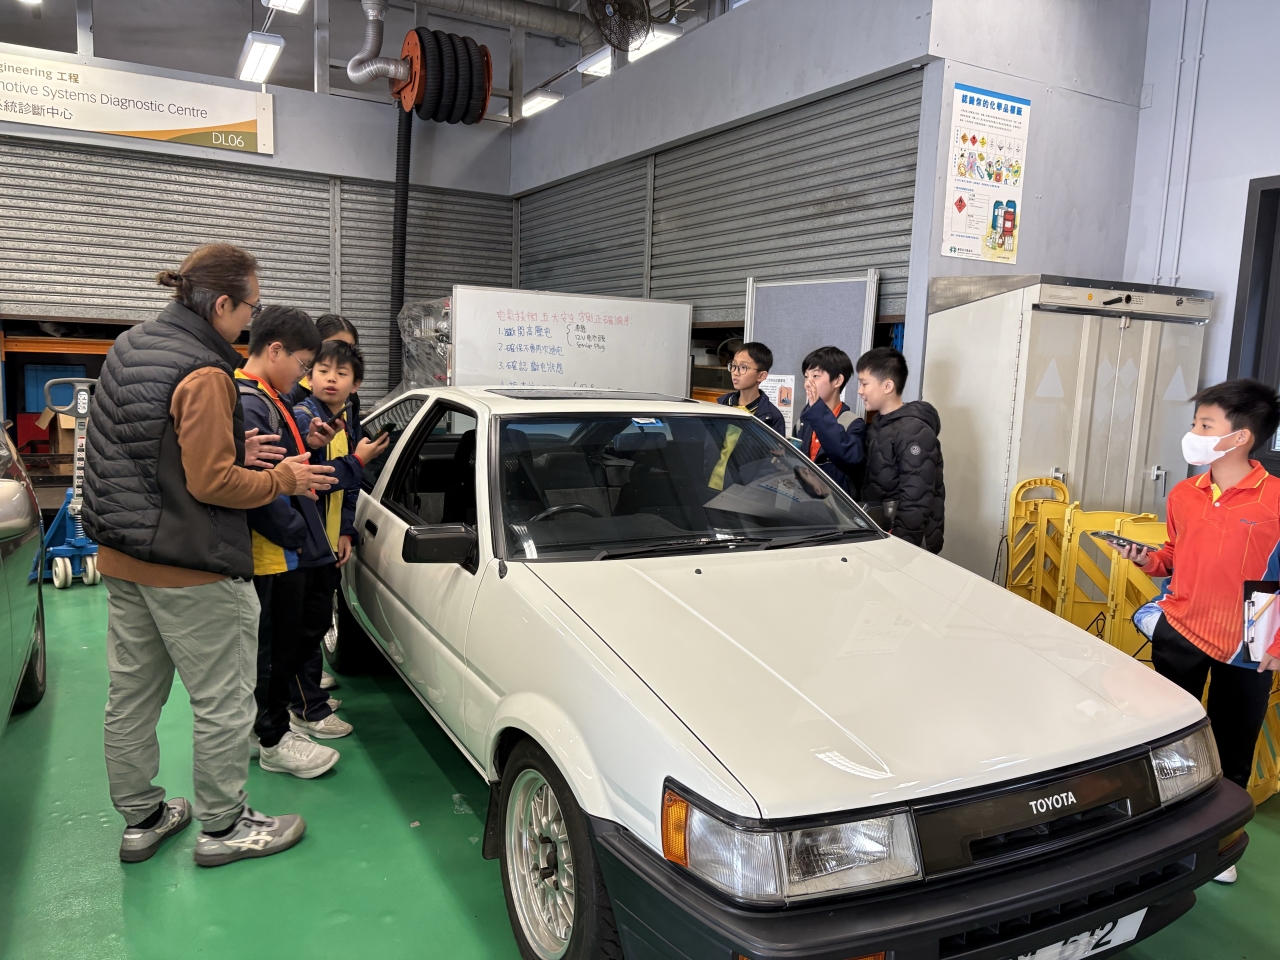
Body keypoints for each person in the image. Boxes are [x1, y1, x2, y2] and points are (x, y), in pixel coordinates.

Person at [83, 244, 336, 867]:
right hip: (189, 566)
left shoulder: (130, 345)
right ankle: (224, 826)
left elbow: (141, 449)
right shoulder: (204, 371)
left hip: (124, 559)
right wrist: (281, 480)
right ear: (221, 303)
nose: (250, 321)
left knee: (132, 695)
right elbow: (212, 484)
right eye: (249, 307)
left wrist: (228, 447)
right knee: (222, 700)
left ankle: (142, 819)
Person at [1117, 379, 1280, 883]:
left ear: (1241, 437)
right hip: (1181, 629)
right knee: (1169, 737)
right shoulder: (1185, 494)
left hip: (1247, 645)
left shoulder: (1275, 499)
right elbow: (1172, 557)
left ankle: (1218, 844)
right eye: (1195, 423)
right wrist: (1147, 560)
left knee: (1232, 745)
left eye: (1206, 425)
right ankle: (1163, 832)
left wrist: (1277, 643)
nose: (1194, 434)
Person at [237, 306, 351, 779]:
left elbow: (283, 460)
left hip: (289, 545)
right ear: (275, 350)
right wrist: (297, 535)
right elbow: (258, 489)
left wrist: (308, 442)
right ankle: (273, 738)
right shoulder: (250, 402)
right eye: (306, 365)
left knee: (282, 645)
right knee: (273, 649)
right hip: (274, 552)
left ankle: (268, 725)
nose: (306, 376)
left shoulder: (271, 398)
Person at [289, 340, 384, 728]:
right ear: (309, 377)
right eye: (322, 370)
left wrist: (345, 530)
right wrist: (359, 460)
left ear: (355, 385)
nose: (331, 379)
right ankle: (306, 709)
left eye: (341, 373)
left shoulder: (345, 419)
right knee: (303, 628)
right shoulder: (303, 420)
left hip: (326, 543)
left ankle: (308, 694)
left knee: (313, 625)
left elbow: (350, 487)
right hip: (303, 545)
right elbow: (321, 479)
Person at [856, 347, 945, 553]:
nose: (860, 391)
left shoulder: (914, 431)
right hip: (883, 535)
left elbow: (916, 498)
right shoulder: (877, 427)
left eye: (864, 383)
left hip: (906, 544)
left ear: (887, 386)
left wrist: (900, 548)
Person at [796, 345, 865, 494]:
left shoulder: (853, 423)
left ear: (837, 381)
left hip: (834, 503)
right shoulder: (804, 420)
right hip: (803, 501)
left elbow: (849, 458)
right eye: (806, 376)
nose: (807, 383)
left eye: (815, 376)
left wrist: (817, 410)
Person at [716, 342, 786, 434]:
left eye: (743, 367)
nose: (735, 373)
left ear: (761, 376)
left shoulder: (773, 417)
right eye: (733, 365)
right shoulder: (722, 403)